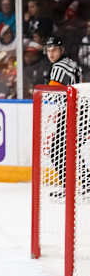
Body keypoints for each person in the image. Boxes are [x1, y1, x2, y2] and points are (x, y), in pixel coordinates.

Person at [45, 36, 85, 198]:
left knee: (56, 151)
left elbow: (53, 93)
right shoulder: (71, 62)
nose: (51, 54)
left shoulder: (58, 67)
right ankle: (86, 184)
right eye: (48, 50)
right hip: (80, 111)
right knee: (70, 150)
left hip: (72, 112)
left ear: (61, 50)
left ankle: (70, 188)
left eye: (54, 50)